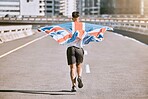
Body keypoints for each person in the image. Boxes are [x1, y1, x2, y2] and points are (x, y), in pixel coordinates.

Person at [66, 11, 84, 92]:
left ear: (72, 18)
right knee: (79, 66)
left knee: (72, 68)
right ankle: (79, 76)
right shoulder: (82, 26)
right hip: (79, 48)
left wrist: (42, 29)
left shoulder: (68, 26)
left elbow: (56, 28)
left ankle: (73, 86)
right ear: (78, 17)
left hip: (71, 48)